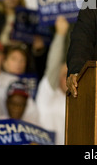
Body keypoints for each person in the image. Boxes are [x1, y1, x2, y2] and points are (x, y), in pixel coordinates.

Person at [36, 16, 70, 145]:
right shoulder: (48, 93)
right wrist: (60, 34)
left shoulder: (77, 100)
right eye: (65, 74)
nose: (69, 78)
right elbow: (54, 66)